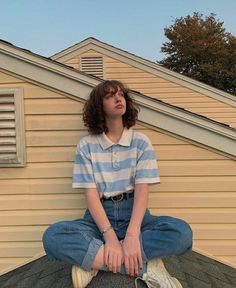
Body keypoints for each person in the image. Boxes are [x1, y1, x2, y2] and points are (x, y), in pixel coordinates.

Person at [43, 80, 193, 288]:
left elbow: (142, 190)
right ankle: (146, 268)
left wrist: (132, 235)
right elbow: (91, 195)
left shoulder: (141, 142)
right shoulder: (87, 145)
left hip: (136, 215)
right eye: (110, 95)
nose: (118, 98)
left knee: (182, 234)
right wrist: (110, 238)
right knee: (52, 237)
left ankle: (95, 260)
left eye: (121, 94)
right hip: (98, 218)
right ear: (99, 105)